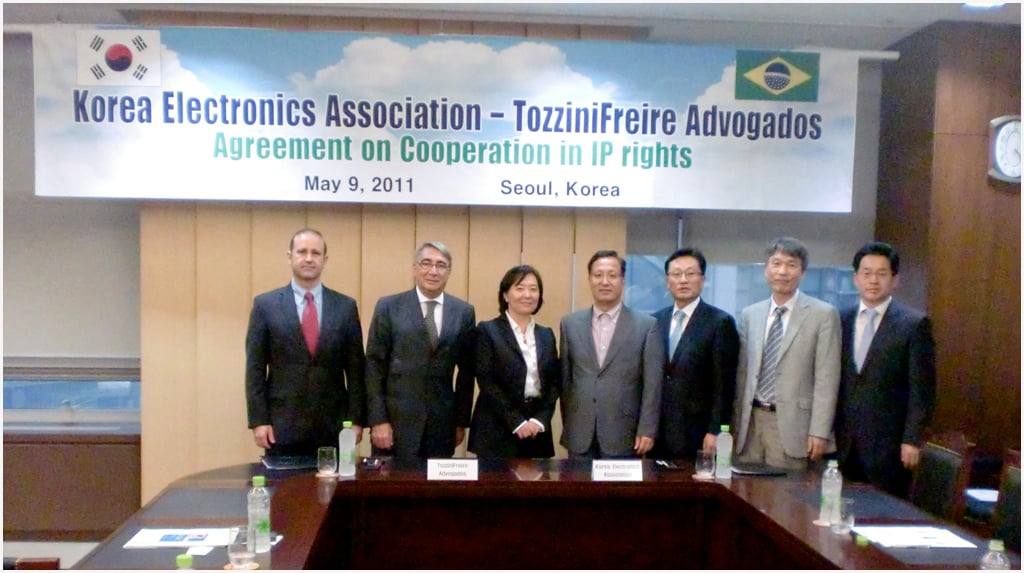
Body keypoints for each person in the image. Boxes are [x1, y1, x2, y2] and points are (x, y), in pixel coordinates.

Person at [245, 228, 366, 457]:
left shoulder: (345, 307)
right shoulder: (265, 306)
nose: (309, 258)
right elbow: (255, 369)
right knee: (285, 482)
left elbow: (356, 371)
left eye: (315, 253)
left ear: (325, 260)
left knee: (332, 481)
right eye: (302, 252)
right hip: (281, 426)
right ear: (289, 256)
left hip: (334, 426)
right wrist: (259, 420)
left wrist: (356, 420)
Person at [835, 241, 935, 498]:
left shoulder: (914, 324)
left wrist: (912, 439)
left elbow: (922, 389)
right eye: (866, 273)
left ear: (895, 280)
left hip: (888, 446)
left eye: (882, 273)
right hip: (843, 442)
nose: (873, 280)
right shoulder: (839, 319)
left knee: (882, 513)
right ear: (856, 278)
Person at [733, 237, 840, 470]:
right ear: (766, 269)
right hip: (750, 424)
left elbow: (827, 379)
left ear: (803, 272)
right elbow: (742, 375)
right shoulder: (750, 314)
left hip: (794, 426)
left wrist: (820, 431)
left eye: (791, 265)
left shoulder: (823, 314)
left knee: (786, 491)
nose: (782, 271)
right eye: (776, 263)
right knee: (744, 488)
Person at [365, 241, 476, 459]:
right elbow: (374, 365)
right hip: (395, 423)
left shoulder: (463, 312)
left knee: (436, 482)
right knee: (391, 480)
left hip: (442, 425)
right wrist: (378, 420)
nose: (433, 271)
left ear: (449, 271)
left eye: (441, 265)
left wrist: (460, 422)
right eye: (426, 263)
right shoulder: (389, 306)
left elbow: (467, 372)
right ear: (415, 268)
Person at [558, 250, 664, 459]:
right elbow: (566, 381)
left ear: (623, 280)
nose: (604, 282)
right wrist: (570, 423)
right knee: (576, 481)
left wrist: (647, 429)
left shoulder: (646, 326)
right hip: (580, 433)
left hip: (625, 433)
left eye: (612, 275)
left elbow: (653, 385)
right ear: (589, 279)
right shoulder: (570, 324)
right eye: (598, 275)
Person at [651, 248, 739, 461]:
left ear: (703, 280)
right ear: (667, 281)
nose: (683, 280)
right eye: (676, 274)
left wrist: (716, 430)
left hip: (698, 431)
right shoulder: (655, 321)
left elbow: (724, 384)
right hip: (659, 430)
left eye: (690, 274)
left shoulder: (720, 322)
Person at [468, 265, 560, 460]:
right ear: (505, 295)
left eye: (533, 289)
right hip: (496, 429)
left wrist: (540, 420)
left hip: (536, 431)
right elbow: (487, 382)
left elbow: (554, 383)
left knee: (535, 480)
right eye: (520, 288)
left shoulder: (546, 335)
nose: (527, 295)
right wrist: (516, 422)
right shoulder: (488, 331)